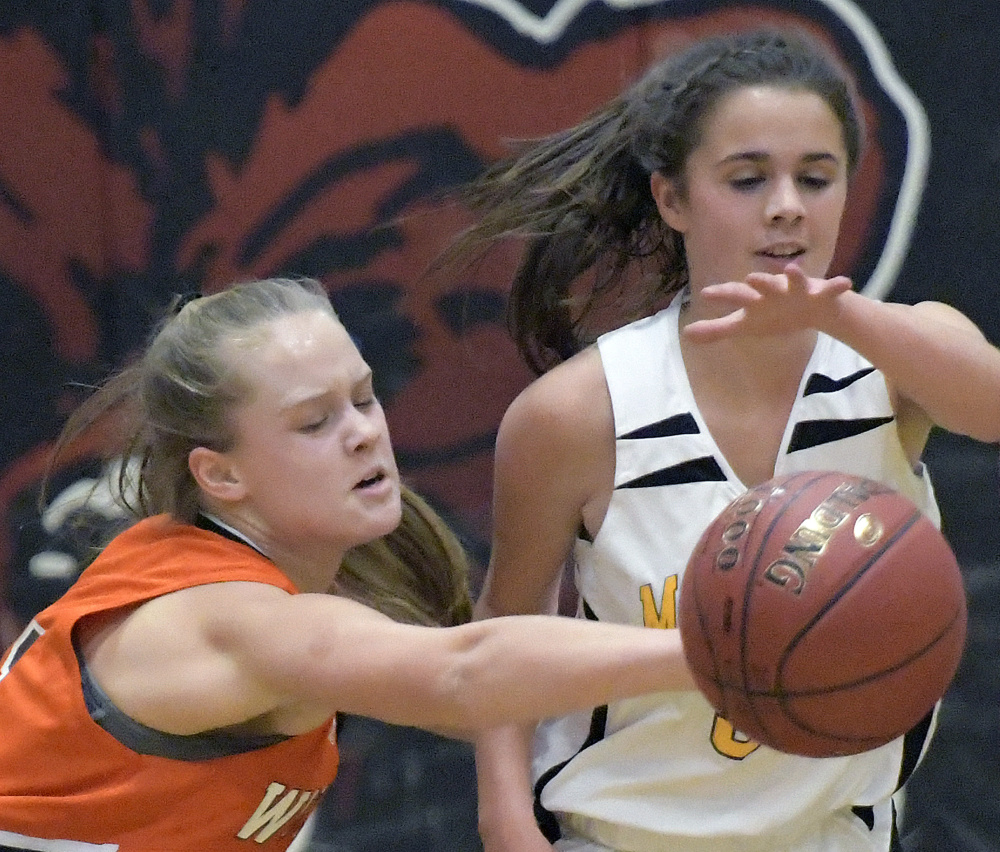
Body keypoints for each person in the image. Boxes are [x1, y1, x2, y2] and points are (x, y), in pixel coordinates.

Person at [446, 27, 1000, 852]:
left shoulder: (891, 361)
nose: (787, 205)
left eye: (817, 178)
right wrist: (504, 819)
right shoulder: (578, 413)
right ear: (672, 200)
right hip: (624, 834)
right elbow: (508, 623)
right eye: (748, 179)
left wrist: (832, 310)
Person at [0, 276, 697, 851]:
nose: (364, 433)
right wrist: (713, 653)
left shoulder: (228, 561)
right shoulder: (230, 619)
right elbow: (464, 675)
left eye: (363, 398)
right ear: (220, 475)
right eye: (314, 422)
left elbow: (481, 693)